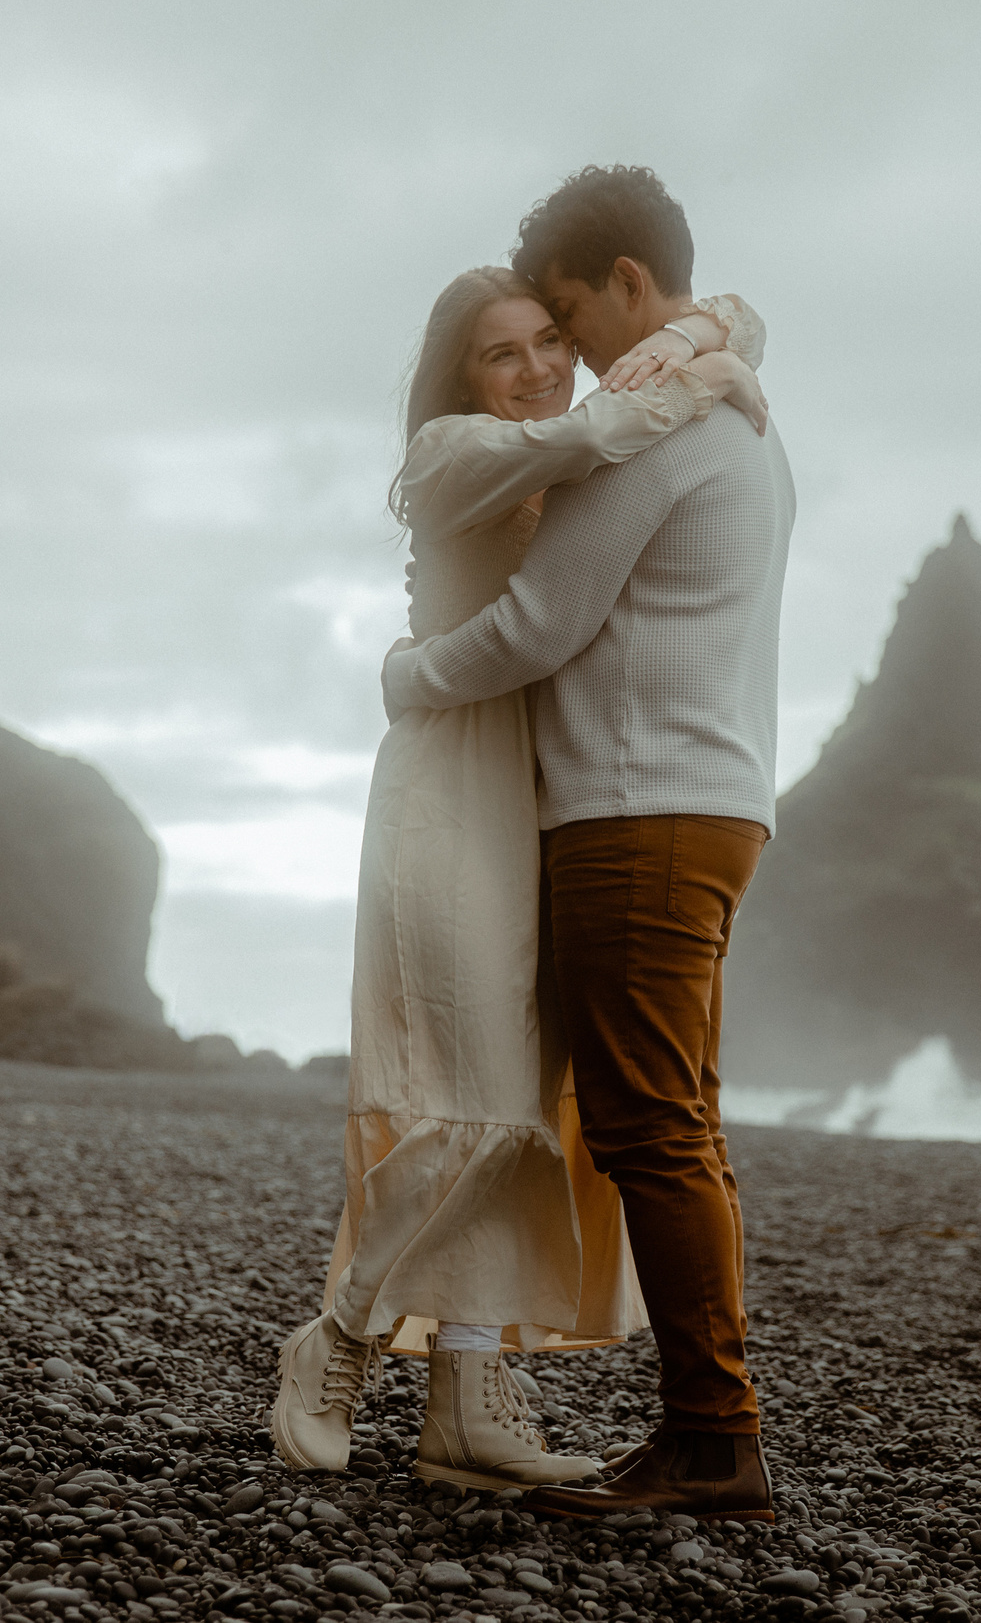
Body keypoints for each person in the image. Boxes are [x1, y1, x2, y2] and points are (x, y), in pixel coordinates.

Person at [268, 252, 770, 1494]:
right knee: (460, 1097)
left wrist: (718, 332)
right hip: (451, 789)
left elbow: (643, 391)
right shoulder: (451, 453)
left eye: (551, 336)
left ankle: (467, 1395)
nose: (541, 365)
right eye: (506, 352)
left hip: (546, 795)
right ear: (460, 377)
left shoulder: (569, 450)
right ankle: (337, 1336)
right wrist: (710, 363)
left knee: (525, 1104)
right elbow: (614, 419)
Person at [377, 166, 796, 1522]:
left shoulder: (660, 432)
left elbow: (540, 624)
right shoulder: (736, 418)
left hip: (638, 811)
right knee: (677, 1114)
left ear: (626, 283)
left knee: (649, 1124)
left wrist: (413, 675)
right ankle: (705, 1430)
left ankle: (714, 1439)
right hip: (709, 801)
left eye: (568, 316)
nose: (569, 357)